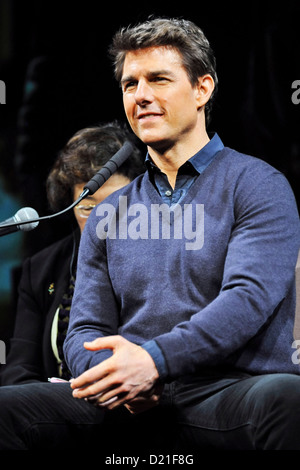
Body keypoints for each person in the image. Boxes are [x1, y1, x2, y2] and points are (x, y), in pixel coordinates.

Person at [0, 17, 299, 452]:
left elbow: (246, 301)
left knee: (288, 400)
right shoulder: (109, 214)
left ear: (203, 89)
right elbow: (84, 329)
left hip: (226, 392)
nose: (141, 96)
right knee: (7, 408)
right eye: (129, 84)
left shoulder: (258, 185)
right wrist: (118, 376)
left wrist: (153, 361)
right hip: (128, 400)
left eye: (158, 79)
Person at [0, 121, 144, 385]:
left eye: (115, 205)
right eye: (88, 208)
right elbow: (18, 372)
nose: (103, 222)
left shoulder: (168, 256)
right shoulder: (42, 269)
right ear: (70, 204)